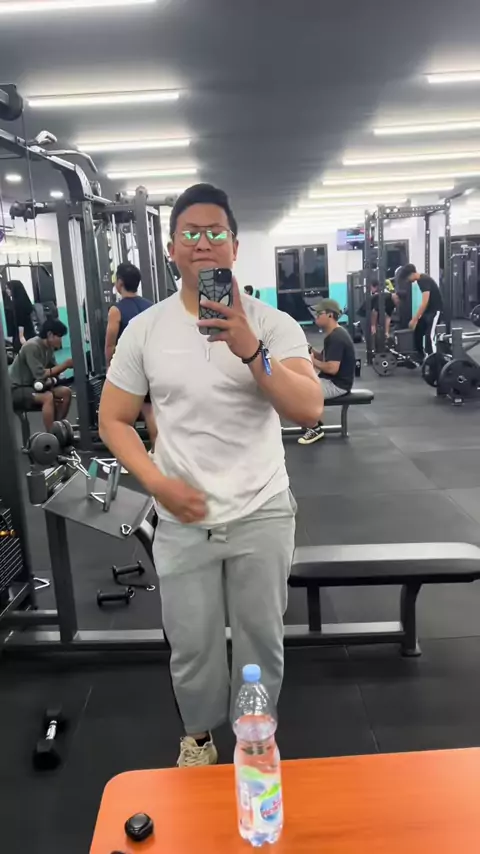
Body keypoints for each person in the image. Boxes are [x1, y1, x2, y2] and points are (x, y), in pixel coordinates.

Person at [99, 182, 323, 768]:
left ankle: (254, 736)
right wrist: (157, 483)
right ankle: (198, 738)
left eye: (215, 232)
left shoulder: (272, 324)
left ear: (234, 246)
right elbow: (113, 419)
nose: (203, 242)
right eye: (190, 233)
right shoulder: (146, 330)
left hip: (261, 509)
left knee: (260, 644)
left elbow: (308, 408)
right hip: (182, 517)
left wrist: (251, 350)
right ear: (172, 248)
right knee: (193, 646)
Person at [104, 262, 157, 446]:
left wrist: (109, 367)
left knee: (123, 417)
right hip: (149, 364)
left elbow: (110, 344)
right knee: (149, 409)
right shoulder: (151, 307)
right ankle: (157, 451)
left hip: (128, 367)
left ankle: (129, 454)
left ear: (119, 283)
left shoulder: (116, 310)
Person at [298, 298, 355, 446]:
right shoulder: (333, 334)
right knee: (296, 383)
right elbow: (324, 357)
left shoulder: (337, 337)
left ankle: (315, 428)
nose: (316, 316)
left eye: (319, 313)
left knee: (300, 392)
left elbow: (332, 368)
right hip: (331, 380)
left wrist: (312, 361)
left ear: (330, 315)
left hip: (337, 385)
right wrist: (308, 349)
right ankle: (312, 420)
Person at [9, 317, 73, 432]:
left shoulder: (49, 348)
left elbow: (54, 369)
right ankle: (51, 435)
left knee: (66, 392)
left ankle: (57, 429)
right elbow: (40, 374)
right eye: (59, 337)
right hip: (17, 389)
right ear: (50, 335)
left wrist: (58, 373)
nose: (61, 341)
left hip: (34, 385)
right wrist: (65, 365)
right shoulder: (31, 346)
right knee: (47, 397)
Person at [397, 263, 443, 360]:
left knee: (429, 336)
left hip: (435, 311)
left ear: (411, 274)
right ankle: (420, 356)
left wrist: (414, 319)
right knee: (418, 331)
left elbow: (424, 302)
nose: (408, 281)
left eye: (407, 278)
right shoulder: (420, 280)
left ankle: (435, 361)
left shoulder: (424, 280)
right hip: (428, 312)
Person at [1, 280, 36, 353]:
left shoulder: (18, 303)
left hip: (23, 333)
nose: (7, 290)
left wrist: (21, 336)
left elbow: (21, 321)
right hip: (29, 332)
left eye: (8, 288)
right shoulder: (24, 300)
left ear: (14, 289)